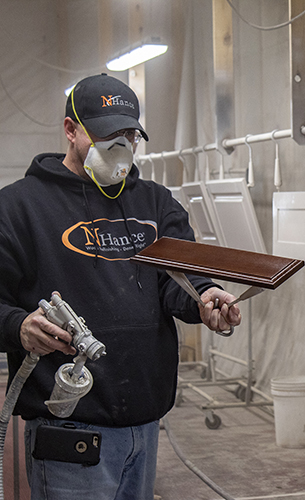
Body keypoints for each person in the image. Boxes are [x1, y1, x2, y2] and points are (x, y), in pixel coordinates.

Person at [0, 73, 241, 499]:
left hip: (145, 421)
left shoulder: (155, 202)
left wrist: (204, 297)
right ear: (71, 130)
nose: (121, 145)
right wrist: (19, 326)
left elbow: (177, 277)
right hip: (69, 423)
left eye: (130, 133)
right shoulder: (19, 207)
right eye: (107, 133)